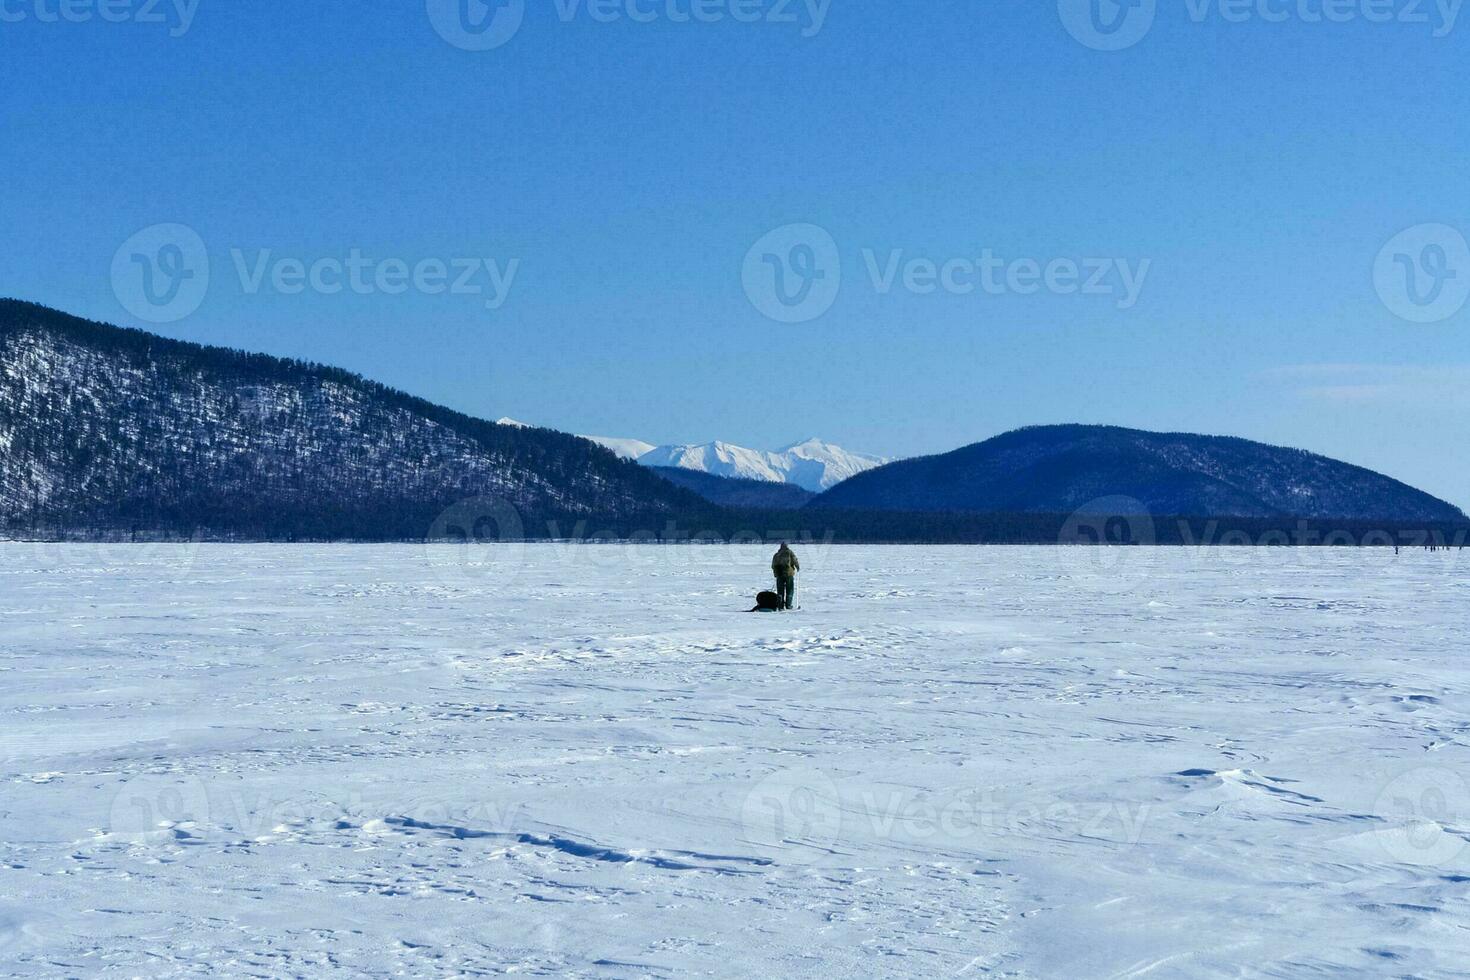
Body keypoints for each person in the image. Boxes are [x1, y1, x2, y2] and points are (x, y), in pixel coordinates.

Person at [772, 542, 799, 610]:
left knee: (780, 591)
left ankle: (780, 606)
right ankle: (788, 605)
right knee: (790, 590)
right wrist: (797, 567)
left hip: (779, 575)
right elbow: (794, 560)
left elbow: (773, 565)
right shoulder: (789, 553)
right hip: (788, 574)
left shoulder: (777, 555)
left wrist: (775, 574)